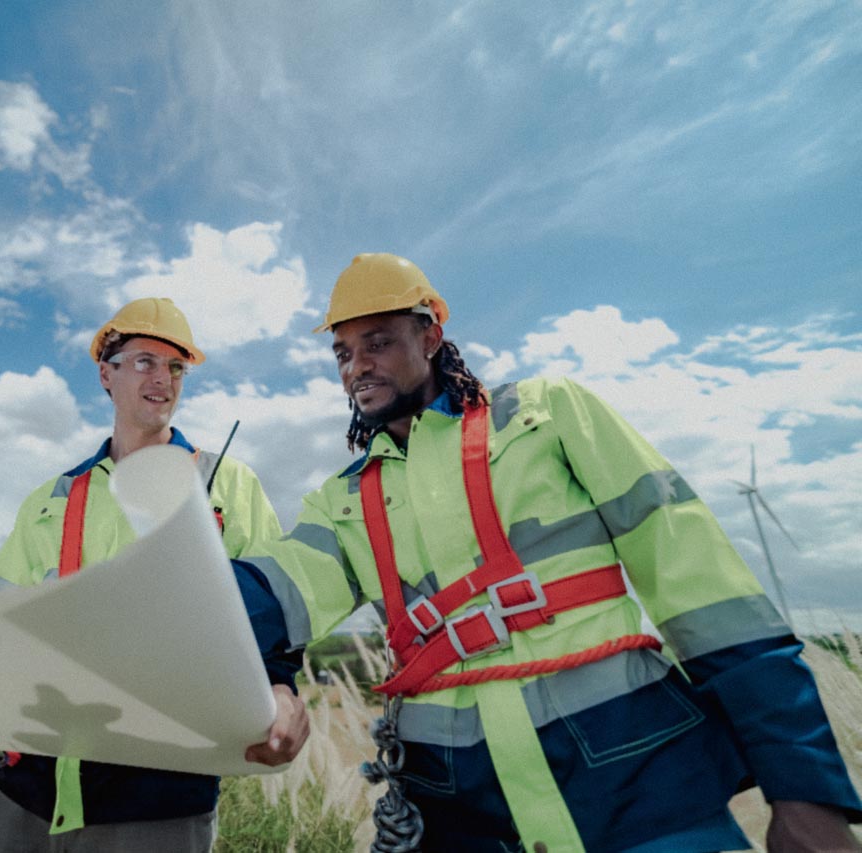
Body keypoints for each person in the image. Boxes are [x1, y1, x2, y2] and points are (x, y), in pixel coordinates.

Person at [237, 253, 861, 852]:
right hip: (462, 811)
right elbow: (258, 602)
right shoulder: (338, 502)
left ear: (430, 336)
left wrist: (804, 787)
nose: (357, 367)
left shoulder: (548, 416)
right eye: (343, 353)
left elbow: (708, 595)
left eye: (378, 342)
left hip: (639, 780)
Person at [0, 297, 308, 852]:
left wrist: (280, 691)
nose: (164, 379)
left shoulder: (228, 485)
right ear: (106, 373)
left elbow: (270, 622)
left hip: (155, 800)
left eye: (177, 368)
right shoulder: (50, 501)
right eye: (146, 361)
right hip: (25, 791)